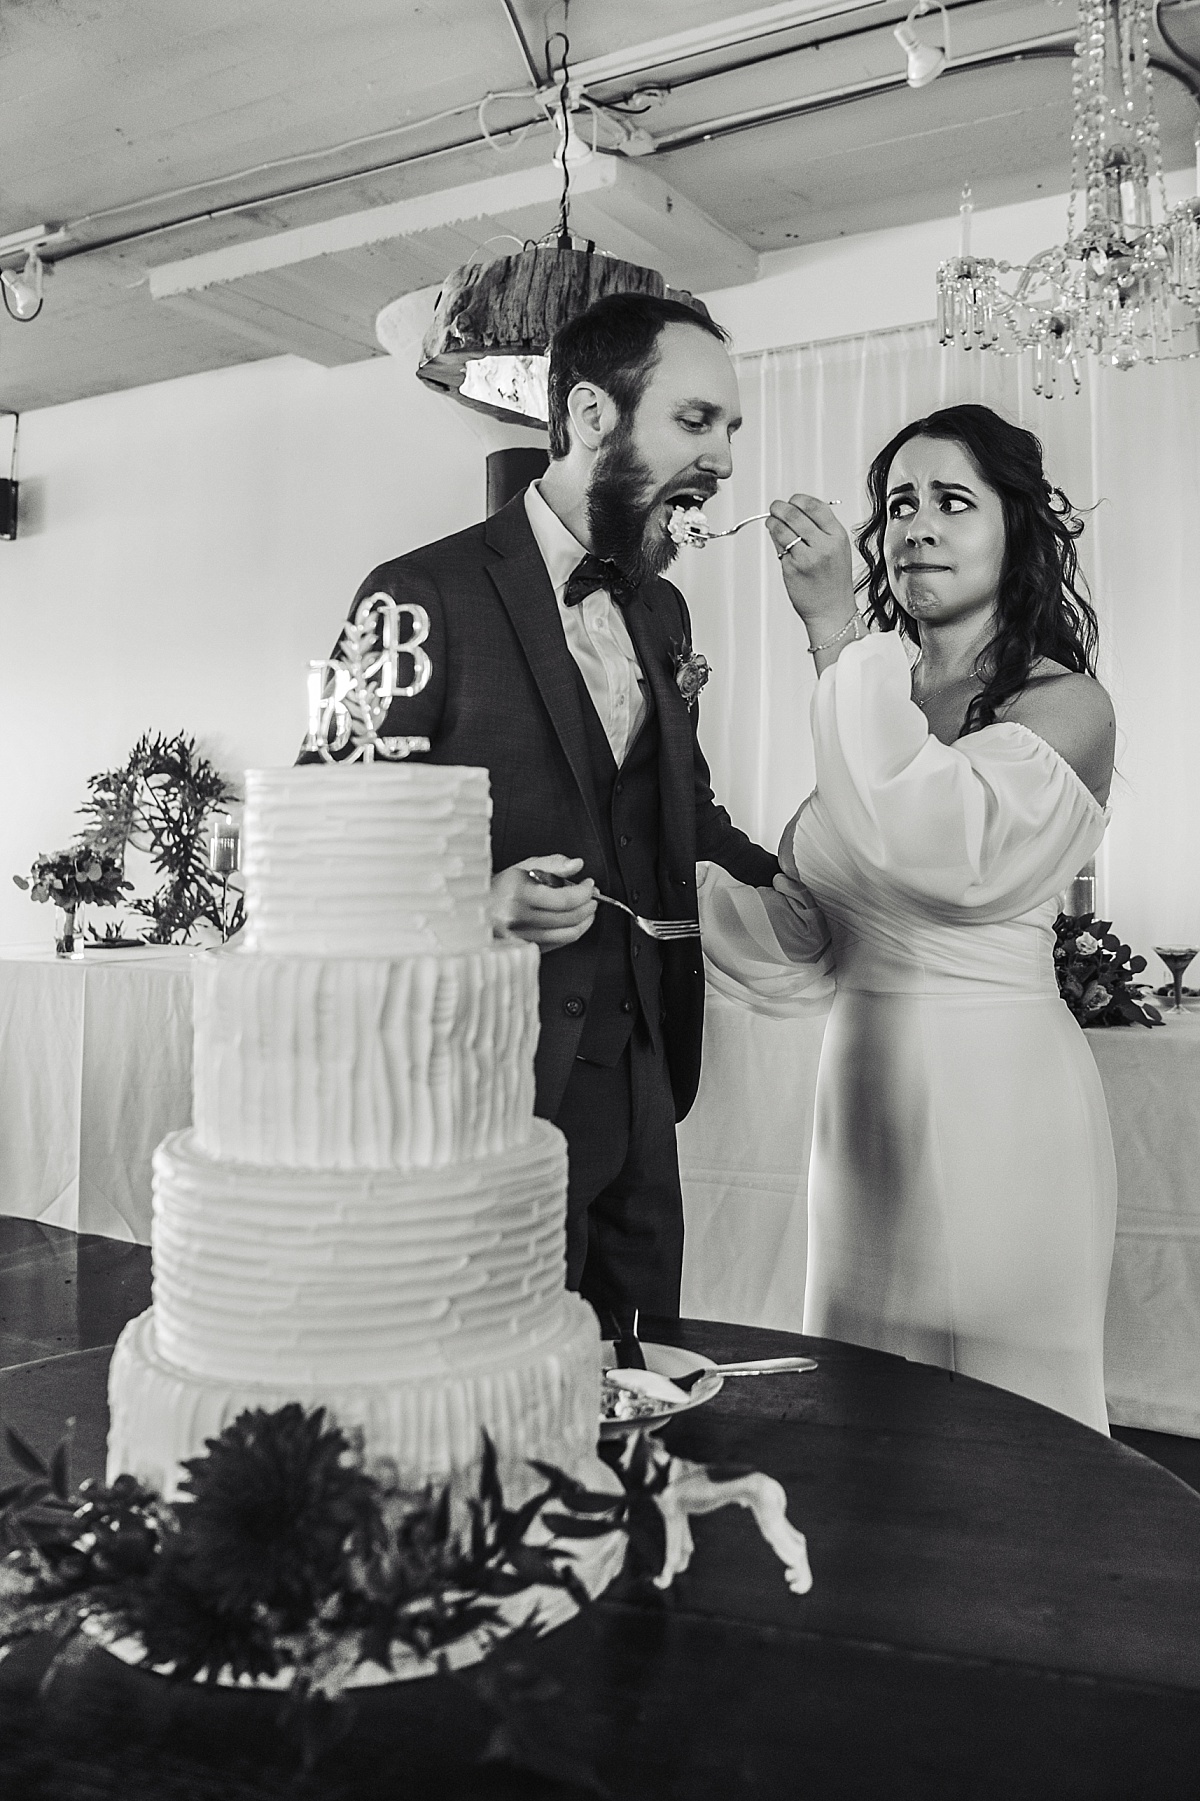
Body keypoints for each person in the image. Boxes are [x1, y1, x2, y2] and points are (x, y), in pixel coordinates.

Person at [321, 291, 777, 1326]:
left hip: (644, 1074)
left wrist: (814, 889)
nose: (725, 461)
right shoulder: (414, 592)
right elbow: (328, 833)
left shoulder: (663, 607)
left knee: (638, 1384)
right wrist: (477, 903)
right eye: (696, 423)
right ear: (588, 415)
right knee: (497, 1384)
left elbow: (681, 811)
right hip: (482, 1081)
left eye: (730, 429)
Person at [699, 403, 1117, 1433]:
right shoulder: (872, 697)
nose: (917, 526)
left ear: (1014, 529)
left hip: (1000, 1103)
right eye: (898, 506)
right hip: (862, 1104)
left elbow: (937, 855)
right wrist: (651, 842)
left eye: (952, 501)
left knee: (1004, 1425)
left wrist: (838, 636)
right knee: (869, 1416)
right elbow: (801, 937)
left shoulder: (1063, 703)